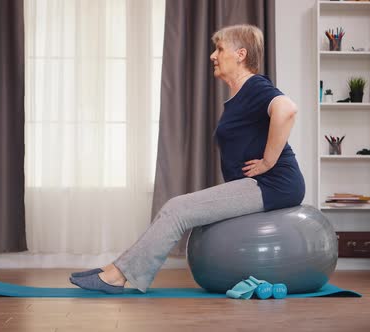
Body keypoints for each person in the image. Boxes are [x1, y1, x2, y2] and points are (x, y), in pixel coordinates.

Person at [70, 24, 305, 294]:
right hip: (263, 185)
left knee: (177, 209)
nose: (212, 56)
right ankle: (116, 269)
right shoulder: (240, 95)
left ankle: (117, 276)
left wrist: (268, 161)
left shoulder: (255, 86)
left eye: (219, 49)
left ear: (241, 54)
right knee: (178, 208)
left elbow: (287, 109)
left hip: (274, 184)